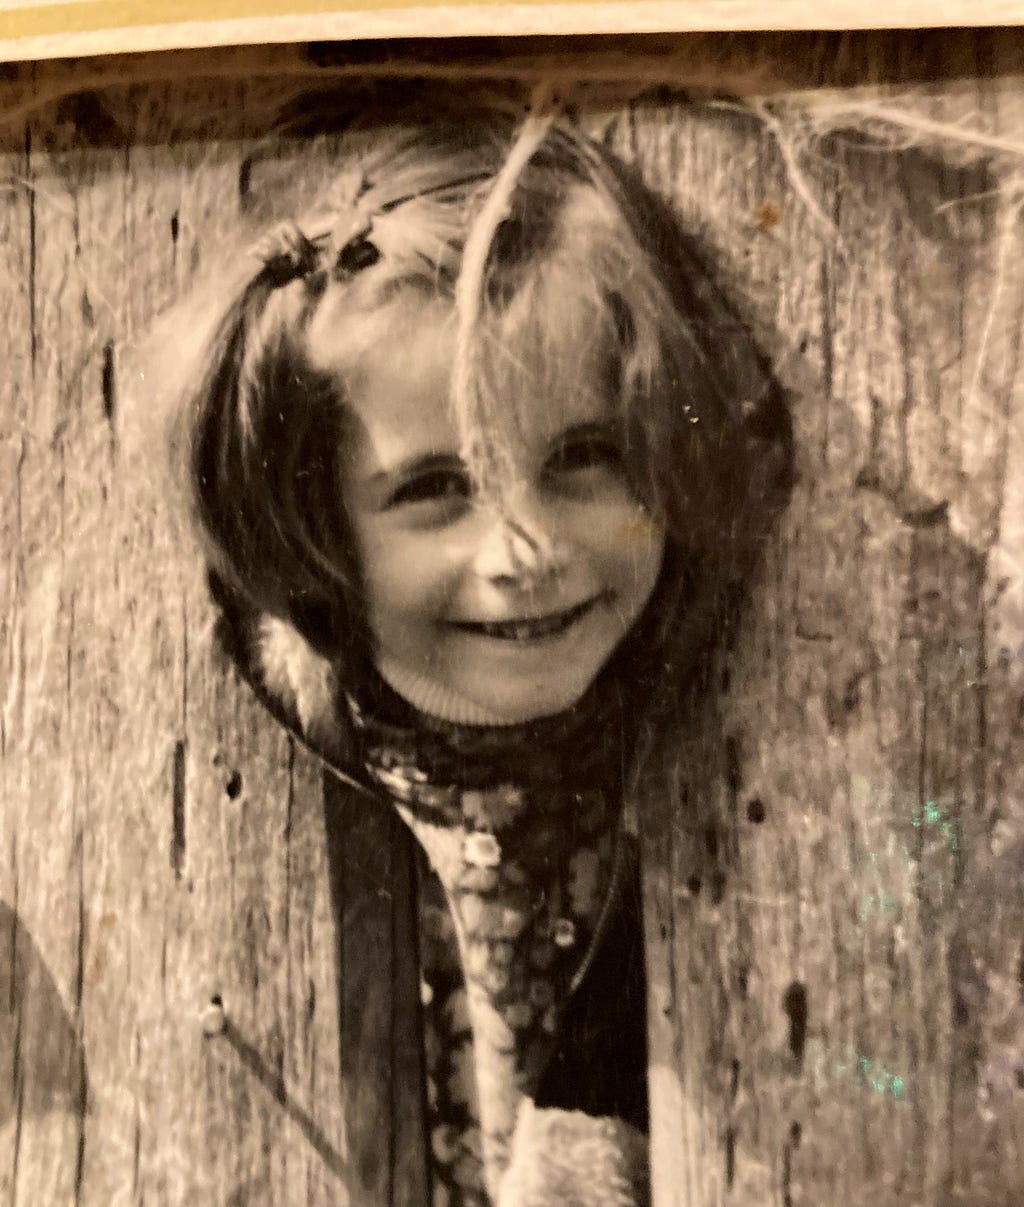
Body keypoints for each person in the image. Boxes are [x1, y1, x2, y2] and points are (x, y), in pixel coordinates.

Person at [176, 95, 789, 1206]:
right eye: (435, 487)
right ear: (319, 528)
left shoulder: (710, 688)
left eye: (583, 457)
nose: (526, 550)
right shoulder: (313, 704)